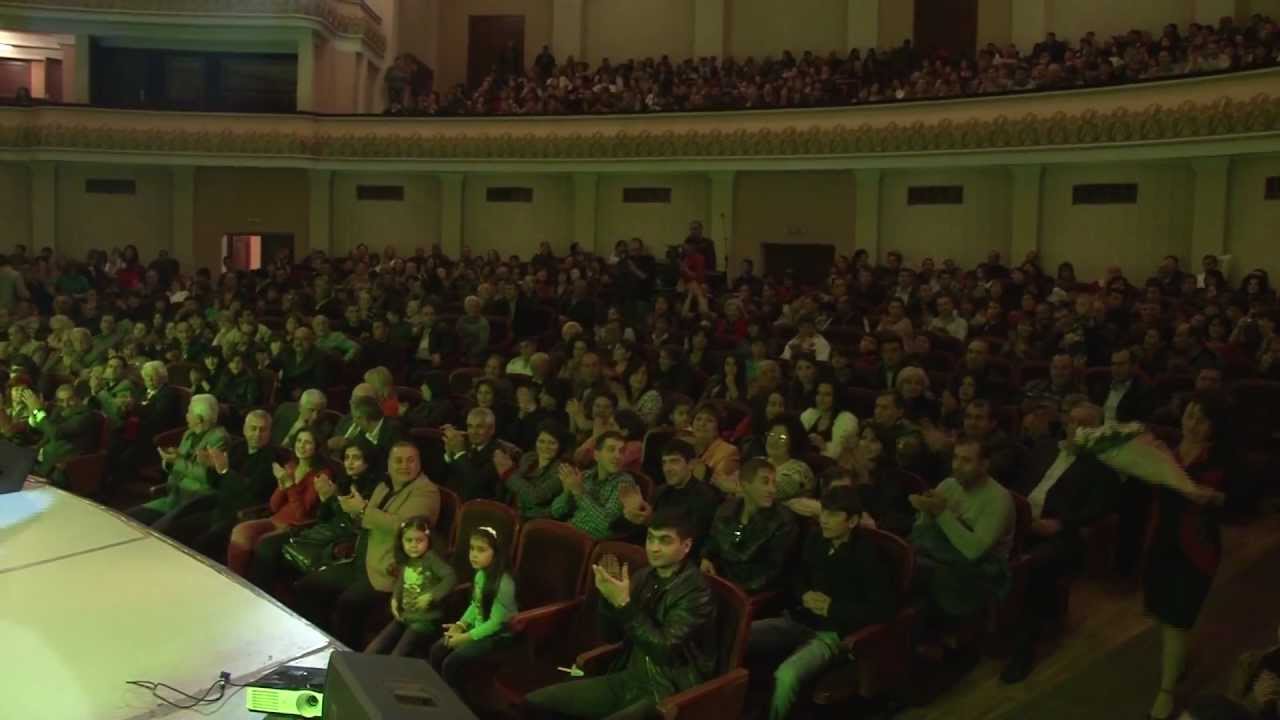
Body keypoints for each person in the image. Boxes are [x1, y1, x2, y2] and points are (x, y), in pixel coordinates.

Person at [525, 508, 716, 720]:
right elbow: (611, 637)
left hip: (665, 693)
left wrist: (623, 604)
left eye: (665, 541)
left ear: (686, 546)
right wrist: (608, 599)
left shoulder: (696, 592)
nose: (654, 548)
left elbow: (664, 650)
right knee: (536, 702)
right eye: (650, 539)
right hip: (629, 677)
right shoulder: (644, 576)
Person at [746, 486, 896, 720]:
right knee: (742, 636)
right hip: (799, 618)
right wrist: (804, 593)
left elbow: (882, 609)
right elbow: (796, 575)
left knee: (786, 675)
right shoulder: (816, 538)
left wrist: (832, 607)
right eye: (824, 512)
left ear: (853, 521)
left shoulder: (868, 555)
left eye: (833, 515)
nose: (824, 520)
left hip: (832, 632)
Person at [1001, 402, 1119, 683]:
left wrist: (1061, 524)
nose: (1076, 429)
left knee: (1034, 568)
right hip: (1021, 523)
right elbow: (1020, 484)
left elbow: (1100, 509)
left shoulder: (1102, 468)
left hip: (1062, 534)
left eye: (1085, 425)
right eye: (1072, 422)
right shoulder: (1044, 448)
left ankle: (1023, 648)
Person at [293, 442, 440, 648]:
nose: (404, 465)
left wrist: (362, 509)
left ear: (419, 464)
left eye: (411, 460)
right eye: (398, 460)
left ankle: (345, 656)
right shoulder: (384, 486)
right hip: (361, 560)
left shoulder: (426, 491)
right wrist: (351, 510)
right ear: (388, 464)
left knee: (348, 604)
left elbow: (407, 527)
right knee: (307, 587)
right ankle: (317, 643)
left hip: (388, 569)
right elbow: (364, 521)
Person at [908, 439, 1015, 627]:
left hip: (982, 570)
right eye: (955, 458)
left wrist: (941, 513)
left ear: (984, 465)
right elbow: (922, 531)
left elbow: (974, 551)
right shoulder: (949, 485)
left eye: (966, 460)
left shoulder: (999, 499)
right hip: (942, 557)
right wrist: (925, 512)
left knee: (916, 573)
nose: (957, 466)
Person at [225, 429, 325, 576]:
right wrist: (281, 485)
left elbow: (301, 514)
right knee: (241, 530)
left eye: (308, 442)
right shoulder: (291, 465)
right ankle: (235, 578)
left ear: (316, 447)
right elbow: (274, 506)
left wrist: (291, 486)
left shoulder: (321, 474)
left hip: (295, 527)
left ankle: (255, 586)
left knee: (262, 543)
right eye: (299, 441)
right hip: (275, 519)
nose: (301, 446)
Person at [429, 526, 517, 690]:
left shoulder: (504, 584)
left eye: (481, 550)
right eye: (472, 548)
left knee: (451, 663)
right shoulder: (480, 574)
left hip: (497, 637)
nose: (474, 554)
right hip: (478, 628)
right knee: (437, 649)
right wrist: (460, 624)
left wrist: (466, 637)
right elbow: (475, 604)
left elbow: (495, 624)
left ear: (496, 553)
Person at [128, 394, 229, 528]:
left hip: (194, 503)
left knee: (154, 531)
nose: (186, 415)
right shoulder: (188, 434)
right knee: (127, 519)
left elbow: (206, 476)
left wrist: (177, 461)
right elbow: (179, 464)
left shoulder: (219, 438)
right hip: (174, 498)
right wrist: (169, 460)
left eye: (188, 412)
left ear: (199, 419)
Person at [701, 458, 799, 595]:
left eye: (773, 483)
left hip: (753, 592)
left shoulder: (783, 521)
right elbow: (713, 540)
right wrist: (706, 558)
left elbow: (771, 570)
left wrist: (729, 589)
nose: (772, 489)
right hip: (720, 582)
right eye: (765, 482)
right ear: (744, 485)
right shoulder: (727, 509)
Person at [366, 516, 457, 657]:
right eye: (409, 540)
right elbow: (401, 582)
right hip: (405, 616)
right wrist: (395, 599)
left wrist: (432, 595)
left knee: (397, 655)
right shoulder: (407, 560)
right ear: (401, 541)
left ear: (428, 540)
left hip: (425, 620)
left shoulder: (432, 560)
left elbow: (450, 577)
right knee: (374, 648)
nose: (413, 545)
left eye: (419, 540)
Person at [620, 438, 720, 553]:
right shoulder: (661, 492)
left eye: (674, 461)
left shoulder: (704, 496)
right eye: (664, 462)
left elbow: (693, 539)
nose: (667, 468)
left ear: (691, 465)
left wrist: (650, 520)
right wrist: (631, 513)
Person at [552, 432, 633, 540]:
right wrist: (567, 491)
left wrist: (579, 492)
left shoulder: (624, 483)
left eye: (621, 451)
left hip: (588, 542)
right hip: (568, 531)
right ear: (596, 455)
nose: (617, 455)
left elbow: (606, 526)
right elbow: (556, 512)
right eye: (611, 449)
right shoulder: (585, 476)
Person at [500, 421, 567, 519]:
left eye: (552, 443)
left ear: (560, 445)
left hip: (534, 519)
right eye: (541, 441)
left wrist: (508, 473)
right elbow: (514, 488)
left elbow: (536, 497)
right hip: (512, 511)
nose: (545, 447)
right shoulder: (528, 457)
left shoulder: (562, 469)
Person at [442, 407, 504, 501]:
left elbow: (475, 486)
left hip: (478, 507)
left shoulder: (498, 453)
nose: (473, 432)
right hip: (453, 499)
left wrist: (460, 453)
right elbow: (450, 476)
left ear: (492, 429)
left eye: (479, 427)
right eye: (470, 426)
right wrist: (449, 455)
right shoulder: (464, 443)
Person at [801, 380, 858, 459]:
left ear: (836, 397)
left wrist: (824, 446)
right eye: (818, 393)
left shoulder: (847, 419)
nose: (821, 398)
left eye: (827, 395)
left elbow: (842, 454)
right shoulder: (809, 414)